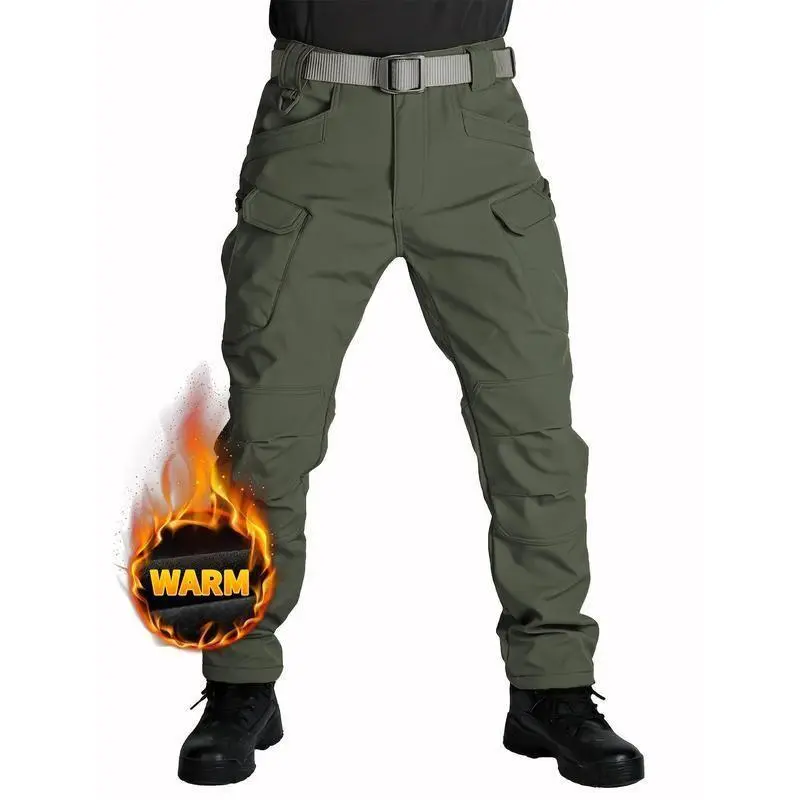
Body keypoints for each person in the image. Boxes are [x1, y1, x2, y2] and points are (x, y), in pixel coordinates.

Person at [178, 0, 643, 788]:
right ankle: (239, 680)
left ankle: (552, 687)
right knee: (269, 431)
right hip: (317, 129)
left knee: (532, 431)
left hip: (475, 130)